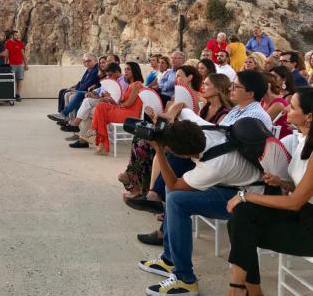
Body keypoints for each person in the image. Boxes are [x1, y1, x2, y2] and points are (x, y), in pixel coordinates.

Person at [138, 70, 272, 296]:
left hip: (245, 197)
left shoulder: (252, 122)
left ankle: (185, 279)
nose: (230, 89)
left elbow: (177, 183)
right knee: (175, 195)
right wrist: (171, 116)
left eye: (236, 86)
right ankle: (171, 259)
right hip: (228, 180)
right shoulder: (220, 120)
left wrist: (161, 150)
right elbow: (188, 111)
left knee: (177, 197)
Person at [226, 87, 313, 296]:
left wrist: (244, 195)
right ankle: (244, 289)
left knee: (241, 228)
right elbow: (301, 188)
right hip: (301, 214)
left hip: (309, 225)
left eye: (292, 107)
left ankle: (242, 289)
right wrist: (282, 182)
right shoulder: (302, 140)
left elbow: (295, 202)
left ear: (309, 116)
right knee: (240, 219)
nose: (286, 111)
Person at [132, 74, 233, 246]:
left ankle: (156, 200)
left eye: (207, 84)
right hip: (198, 156)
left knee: (171, 160)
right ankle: (155, 199)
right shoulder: (205, 108)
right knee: (166, 152)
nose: (203, 86)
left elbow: (210, 137)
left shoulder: (225, 114)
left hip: (209, 159)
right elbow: (182, 105)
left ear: (218, 88)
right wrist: (170, 116)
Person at [72, 62, 144, 154]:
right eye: (125, 69)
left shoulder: (137, 84)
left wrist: (117, 104)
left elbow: (128, 103)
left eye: (128, 69)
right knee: (100, 107)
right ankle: (98, 140)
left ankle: (99, 140)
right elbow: (120, 101)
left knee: (101, 111)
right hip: (123, 110)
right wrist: (110, 98)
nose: (126, 71)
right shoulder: (130, 85)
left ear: (135, 70)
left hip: (129, 114)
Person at [60, 62, 128, 135]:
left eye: (110, 75)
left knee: (86, 105)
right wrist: (93, 93)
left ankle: (78, 129)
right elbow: (101, 89)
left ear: (117, 72)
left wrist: (104, 96)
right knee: (86, 104)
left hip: (112, 103)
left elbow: (118, 98)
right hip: (102, 98)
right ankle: (81, 135)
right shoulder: (110, 78)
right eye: (108, 75)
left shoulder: (123, 82)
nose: (109, 77)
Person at [48, 53, 100, 122]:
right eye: (84, 61)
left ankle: (66, 117)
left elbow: (88, 84)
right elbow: (82, 81)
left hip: (90, 91)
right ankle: (63, 116)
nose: (86, 63)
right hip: (84, 89)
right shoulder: (89, 69)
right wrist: (75, 86)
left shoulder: (96, 70)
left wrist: (76, 90)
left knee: (69, 94)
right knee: (63, 91)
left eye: (88, 61)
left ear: (95, 61)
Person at [261, 72, 291, 139]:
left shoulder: (278, 104)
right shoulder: (262, 101)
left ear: (268, 85)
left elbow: (260, 124)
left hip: (281, 142)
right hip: (270, 139)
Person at [4, 30, 28, 101]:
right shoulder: (8, 43)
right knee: (11, 80)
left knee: (19, 80)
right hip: (12, 65)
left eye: (18, 35)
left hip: (20, 65)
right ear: (12, 35)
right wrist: (5, 64)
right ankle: (11, 94)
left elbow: (23, 54)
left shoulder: (20, 43)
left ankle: (18, 95)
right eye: (16, 35)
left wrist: (26, 64)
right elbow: (7, 54)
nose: (17, 37)